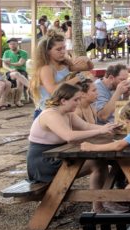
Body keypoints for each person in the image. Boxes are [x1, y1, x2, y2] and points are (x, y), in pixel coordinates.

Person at [26, 82, 117, 213]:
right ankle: (100, 205)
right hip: (44, 162)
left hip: (57, 155)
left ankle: (102, 203)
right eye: (76, 99)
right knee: (96, 163)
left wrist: (109, 127)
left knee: (100, 161)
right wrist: (100, 131)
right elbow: (69, 136)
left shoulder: (67, 113)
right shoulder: (50, 115)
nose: (78, 102)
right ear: (63, 100)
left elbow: (86, 126)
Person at [30, 29, 74, 117]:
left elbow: (87, 67)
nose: (63, 52)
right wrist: (78, 78)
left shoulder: (64, 64)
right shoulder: (46, 69)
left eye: (64, 48)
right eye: (58, 49)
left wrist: (86, 61)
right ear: (47, 52)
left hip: (61, 109)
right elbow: (53, 90)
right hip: (47, 112)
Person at [1, 38, 30, 104]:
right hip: (11, 72)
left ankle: (17, 100)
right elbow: (4, 65)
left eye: (13, 44)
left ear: (17, 44)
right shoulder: (6, 52)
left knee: (20, 81)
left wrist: (10, 63)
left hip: (21, 71)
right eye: (10, 44)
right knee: (16, 74)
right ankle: (30, 87)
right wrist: (10, 69)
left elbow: (20, 63)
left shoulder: (23, 53)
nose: (12, 45)